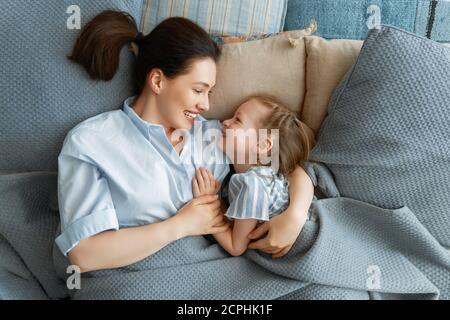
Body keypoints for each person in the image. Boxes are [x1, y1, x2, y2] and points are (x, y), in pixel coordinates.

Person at [55, 10, 314, 273]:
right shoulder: (91, 142)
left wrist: (295, 215)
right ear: (157, 81)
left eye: (209, 92)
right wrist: (181, 225)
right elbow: (84, 255)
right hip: (139, 278)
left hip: (218, 273)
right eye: (198, 90)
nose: (207, 105)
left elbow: (288, 167)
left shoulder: (215, 136)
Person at [192, 95, 313, 256]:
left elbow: (236, 247)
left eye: (237, 120)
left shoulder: (252, 185)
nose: (225, 122)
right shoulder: (261, 176)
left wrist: (208, 203)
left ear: (262, 145)